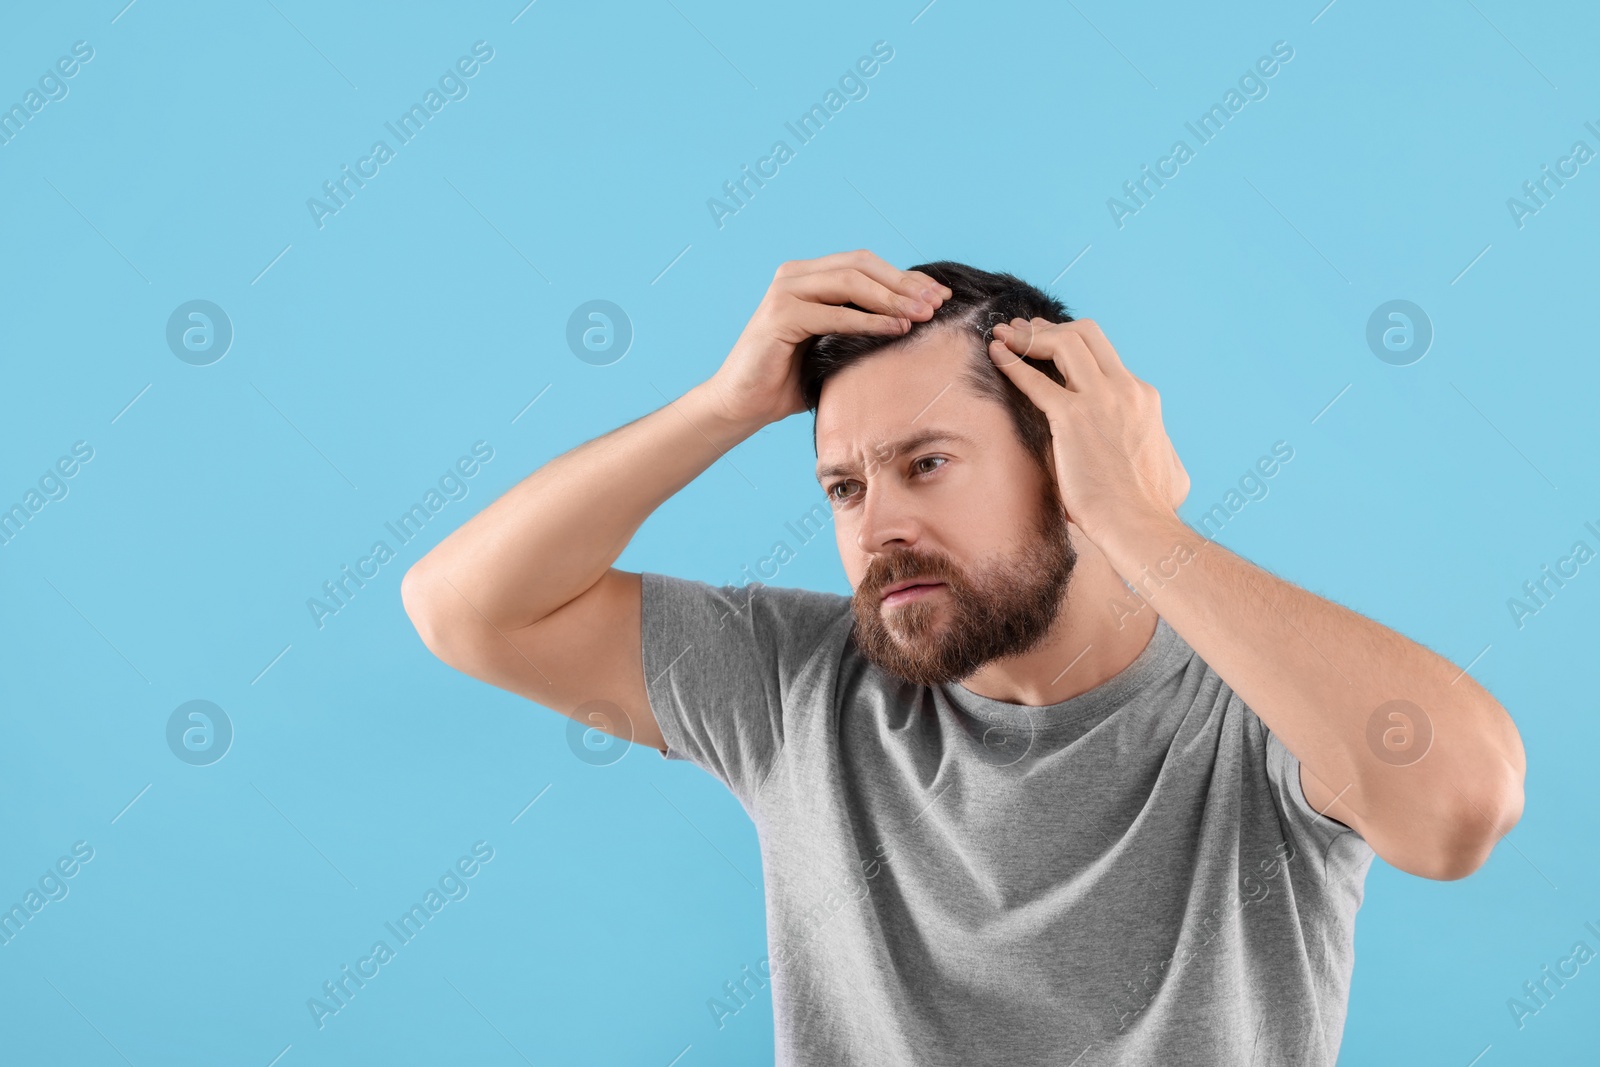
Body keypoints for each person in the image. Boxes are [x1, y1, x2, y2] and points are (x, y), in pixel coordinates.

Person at [400, 250, 1525, 1065]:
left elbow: (1459, 806)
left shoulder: (1258, 698)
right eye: (844, 485)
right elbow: (467, 609)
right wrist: (722, 405)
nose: (875, 523)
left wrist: (1137, 523)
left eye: (926, 462)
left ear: (1063, 458)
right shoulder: (799, 682)